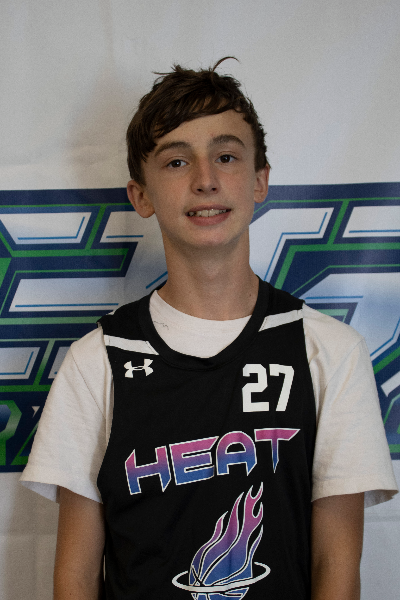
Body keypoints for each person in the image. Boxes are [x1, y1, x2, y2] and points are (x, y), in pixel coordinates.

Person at [21, 58, 397, 600]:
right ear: (141, 195)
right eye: (176, 162)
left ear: (260, 180)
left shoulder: (328, 351)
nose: (205, 180)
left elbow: (335, 567)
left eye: (226, 156)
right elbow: (75, 578)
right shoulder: (97, 359)